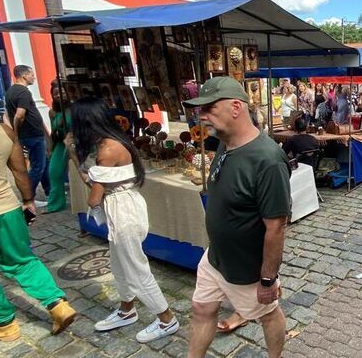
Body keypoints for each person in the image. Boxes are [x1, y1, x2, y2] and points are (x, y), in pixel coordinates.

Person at [182, 77, 291, 358]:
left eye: (208, 108)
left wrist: (267, 280)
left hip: (246, 269)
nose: (201, 115)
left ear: (235, 107)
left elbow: (276, 227)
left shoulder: (267, 160)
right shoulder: (224, 142)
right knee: (202, 308)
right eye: (199, 109)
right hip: (216, 257)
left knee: (268, 314)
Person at [65, 97, 179, 343]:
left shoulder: (107, 151)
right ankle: (127, 310)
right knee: (119, 263)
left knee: (136, 267)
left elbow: (94, 197)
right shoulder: (112, 142)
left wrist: (75, 158)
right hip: (125, 206)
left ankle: (166, 318)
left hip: (122, 210)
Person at [0, 84, 77, 342]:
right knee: (22, 260)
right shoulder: (2, 130)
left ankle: (4, 324)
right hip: (8, 209)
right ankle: (57, 304)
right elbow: (20, 170)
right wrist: (29, 200)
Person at [4, 65, 50, 208]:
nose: (34, 77)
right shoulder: (23, 92)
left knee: (44, 162)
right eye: (32, 74)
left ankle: (50, 191)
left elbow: (7, 113)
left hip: (30, 134)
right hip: (31, 134)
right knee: (38, 166)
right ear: (24, 76)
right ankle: (28, 197)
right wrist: (16, 132)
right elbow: (19, 114)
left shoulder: (10, 91)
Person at [46, 80, 71, 213]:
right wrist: (50, 148)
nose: (58, 95)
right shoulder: (52, 112)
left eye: (61, 92)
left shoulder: (74, 109)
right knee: (54, 171)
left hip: (76, 142)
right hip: (61, 143)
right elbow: (53, 132)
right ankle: (56, 204)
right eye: (55, 93)